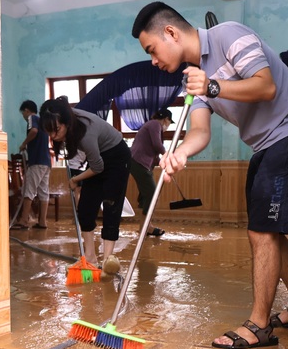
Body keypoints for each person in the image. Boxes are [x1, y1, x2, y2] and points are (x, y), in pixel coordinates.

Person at [132, 2, 288, 349]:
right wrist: (181, 153)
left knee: (262, 231)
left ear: (171, 33)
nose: (154, 61)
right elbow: (200, 131)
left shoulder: (229, 35)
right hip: (266, 145)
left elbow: (266, 87)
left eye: (152, 50)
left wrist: (214, 86)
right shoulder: (193, 78)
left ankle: (260, 326)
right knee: (269, 231)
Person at [39, 97, 131, 274]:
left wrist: (75, 180)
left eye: (56, 130)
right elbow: (91, 162)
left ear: (66, 122)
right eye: (49, 132)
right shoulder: (69, 126)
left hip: (117, 157)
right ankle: (89, 257)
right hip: (98, 158)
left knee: (111, 205)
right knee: (86, 207)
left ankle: (107, 261)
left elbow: (98, 167)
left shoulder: (85, 133)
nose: (53, 136)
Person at [130, 108, 173, 236]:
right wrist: (167, 155)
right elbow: (156, 144)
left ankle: (145, 227)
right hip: (138, 162)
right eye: (169, 122)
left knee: (147, 195)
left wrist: (161, 161)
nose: (168, 125)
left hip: (138, 163)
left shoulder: (151, 125)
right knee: (152, 195)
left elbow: (152, 150)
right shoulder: (155, 124)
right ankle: (146, 227)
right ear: (166, 119)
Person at [12, 100, 51, 230]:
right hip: (46, 162)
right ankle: (42, 222)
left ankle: (23, 221)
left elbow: (33, 131)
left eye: (23, 112)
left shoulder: (32, 118)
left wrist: (24, 144)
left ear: (27, 110)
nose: (23, 116)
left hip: (37, 162)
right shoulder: (42, 121)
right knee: (43, 192)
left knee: (28, 190)